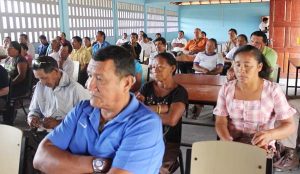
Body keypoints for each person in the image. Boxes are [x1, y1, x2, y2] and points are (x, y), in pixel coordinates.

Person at [33, 46, 165, 174]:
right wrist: (99, 164)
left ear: (126, 83)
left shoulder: (145, 125)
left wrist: (67, 164)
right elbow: (41, 158)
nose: (89, 85)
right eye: (90, 76)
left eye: (99, 78)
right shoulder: (82, 110)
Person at [214, 45, 296, 168]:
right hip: (232, 143)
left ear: (259, 66)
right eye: (237, 65)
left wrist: (269, 135)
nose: (241, 70)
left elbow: (289, 125)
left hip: (262, 147)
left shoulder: (273, 90)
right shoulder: (226, 89)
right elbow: (220, 121)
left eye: (247, 65)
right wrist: (227, 141)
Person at [136, 52, 188, 174]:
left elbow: (171, 120)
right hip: (143, 136)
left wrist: (148, 109)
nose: (155, 70)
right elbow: (135, 109)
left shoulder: (179, 92)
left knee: (157, 169)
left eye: (160, 67)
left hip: (168, 141)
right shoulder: (147, 87)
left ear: (173, 68)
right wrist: (162, 108)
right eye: (153, 67)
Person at [28, 56, 89, 130]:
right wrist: (32, 118)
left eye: (44, 78)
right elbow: (34, 110)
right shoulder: (40, 86)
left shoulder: (75, 89)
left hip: (67, 134)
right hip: (44, 131)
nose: (42, 82)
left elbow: (86, 121)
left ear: (56, 72)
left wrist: (58, 123)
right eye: (39, 78)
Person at [192, 38, 224, 119]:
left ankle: (215, 113)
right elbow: (195, 66)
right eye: (207, 45)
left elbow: (219, 69)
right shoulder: (200, 54)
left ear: (215, 47)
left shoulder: (218, 55)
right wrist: (203, 70)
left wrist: (208, 73)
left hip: (213, 79)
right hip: (199, 77)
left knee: (214, 95)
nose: (208, 47)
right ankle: (197, 109)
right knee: (197, 94)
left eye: (211, 45)